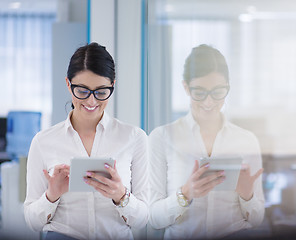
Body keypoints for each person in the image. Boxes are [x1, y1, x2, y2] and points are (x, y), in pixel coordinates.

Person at [24, 42, 148, 240]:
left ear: (112, 85)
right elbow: (32, 222)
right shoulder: (43, 141)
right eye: (82, 91)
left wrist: (121, 195)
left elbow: (142, 220)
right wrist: (51, 195)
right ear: (68, 84)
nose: (91, 101)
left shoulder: (134, 138)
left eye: (101, 92)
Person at [149, 44, 264, 239]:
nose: (209, 102)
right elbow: (154, 218)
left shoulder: (246, 140)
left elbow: (257, 219)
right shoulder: (162, 138)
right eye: (199, 92)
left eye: (218, 92)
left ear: (228, 87)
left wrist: (247, 196)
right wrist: (185, 194)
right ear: (186, 87)